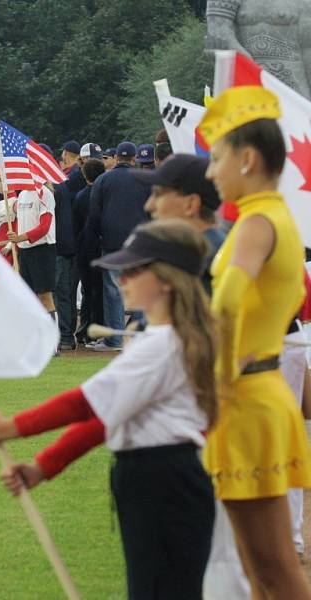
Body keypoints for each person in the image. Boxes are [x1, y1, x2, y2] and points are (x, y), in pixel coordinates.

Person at [0, 219, 216, 599]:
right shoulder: (164, 339)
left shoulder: (161, 345)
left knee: (160, 589)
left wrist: (10, 428)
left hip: (163, 476)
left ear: (167, 281)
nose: (123, 279)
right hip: (157, 473)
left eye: (135, 271)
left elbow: (84, 405)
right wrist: (44, 466)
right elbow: (105, 419)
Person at [200, 85, 311, 598]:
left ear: (247, 159)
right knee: (262, 567)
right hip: (252, 395)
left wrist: (210, 375)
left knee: (272, 569)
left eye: (216, 158)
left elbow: (224, 306)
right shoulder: (272, 217)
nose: (209, 172)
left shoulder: (257, 223)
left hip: (244, 398)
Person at [85, 141, 151, 351]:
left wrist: (95, 239)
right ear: (134, 158)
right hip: (140, 244)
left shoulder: (103, 180)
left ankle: (114, 340)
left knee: (113, 290)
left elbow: (94, 215)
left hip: (112, 244)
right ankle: (138, 336)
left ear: (117, 158)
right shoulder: (146, 180)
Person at [134, 153, 225, 295]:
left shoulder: (201, 266)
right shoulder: (200, 254)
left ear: (191, 204)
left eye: (158, 194)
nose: (149, 206)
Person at [6, 184, 57, 323]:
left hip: (41, 250)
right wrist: (15, 242)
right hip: (24, 250)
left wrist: (20, 238)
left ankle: (52, 341)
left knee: (45, 297)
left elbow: (44, 227)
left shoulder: (44, 193)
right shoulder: (22, 194)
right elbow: (21, 222)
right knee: (28, 297)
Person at [73, 158, 106, 347]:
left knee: (88, 291)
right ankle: (96, 330)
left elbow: (76, 227)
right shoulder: (104, 195)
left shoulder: (80, 197)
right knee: (99, 292)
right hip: (101, 247)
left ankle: (85, 329)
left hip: (84, 248)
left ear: (85, 176)